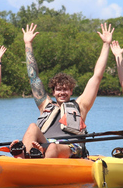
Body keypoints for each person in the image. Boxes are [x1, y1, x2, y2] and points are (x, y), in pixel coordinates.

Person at [10, 23, 113, 158]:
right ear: (53, 92)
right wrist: (28, 44)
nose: (62, 93)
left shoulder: (80, 106)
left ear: (71, 91)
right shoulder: (45, 105)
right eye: (59, 89)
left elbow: (97, 77)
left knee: (53, 148)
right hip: (45, 144)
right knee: (32, 127)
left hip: (71, 148)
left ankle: (36, 165)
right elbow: (33, 77)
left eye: (66, 89)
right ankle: (23, 160)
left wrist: (106, 45)